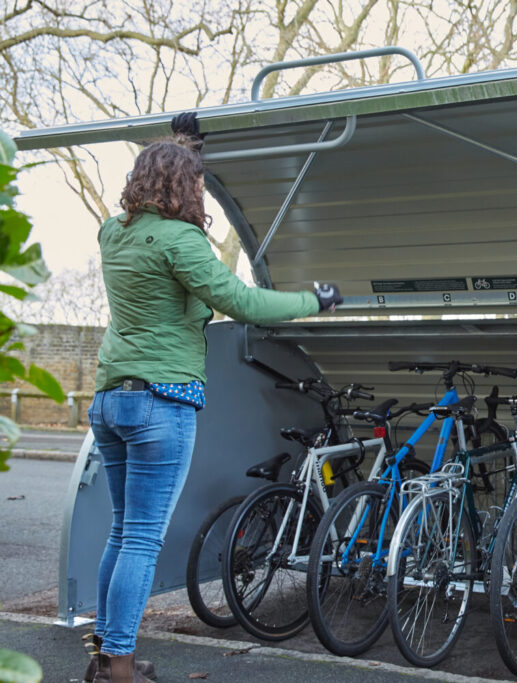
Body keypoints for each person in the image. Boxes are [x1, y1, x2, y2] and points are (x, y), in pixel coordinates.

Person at [82, 114, 343, 683]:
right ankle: (121, 668)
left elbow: (163, 185)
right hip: (160, 399)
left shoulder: (112, 232)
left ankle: (105, 653)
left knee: (123, 532)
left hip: (110, 398)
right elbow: (242, 301)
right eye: (195, 182)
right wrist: (313, 300)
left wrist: (182, 149)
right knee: (142, 539)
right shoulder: (181, 240)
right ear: (182, 188)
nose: (200, 190)